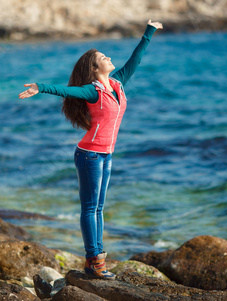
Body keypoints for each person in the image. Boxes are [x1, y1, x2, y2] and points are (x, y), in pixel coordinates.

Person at [19, 19, 163, 279]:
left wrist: (148, 33)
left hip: (106, 155)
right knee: (90, 207)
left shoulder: (117, 83)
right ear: (95, 67)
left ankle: (96, 260)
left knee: (99, 208)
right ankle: (94, 261)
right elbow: (66, 89)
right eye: (102, 57)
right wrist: (40, 88)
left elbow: (135, 60)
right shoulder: (92, 91)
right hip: (89, 155)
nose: (108, 57)